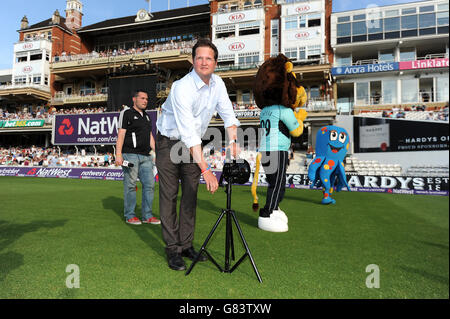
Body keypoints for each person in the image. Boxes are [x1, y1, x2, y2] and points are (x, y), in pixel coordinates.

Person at [156, 38, 240, 271]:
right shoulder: (181, 87)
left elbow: (229, 116)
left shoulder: (219, 84)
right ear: (193, 61)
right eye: (199, 58)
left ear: (215, 63)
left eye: (209, 58)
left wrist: (234, 141)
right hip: (169, 142)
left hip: (192, 144)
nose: (204, 62)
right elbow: (189, 134)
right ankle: (172, 249)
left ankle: (186, 245)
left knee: (190, 195)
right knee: (169, 195)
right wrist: (207, 170)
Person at [115, 90, 160, 226]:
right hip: (130, 155)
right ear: (134, 99)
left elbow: (150, 136)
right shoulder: (127, 113)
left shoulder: (147, 116)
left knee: (150, 185)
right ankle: (130, 215)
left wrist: (157, 152)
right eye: (142, 98)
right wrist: (118, 154)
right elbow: (121, 134)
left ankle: (147, 215)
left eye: (146, 98)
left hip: (146, 156)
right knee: (130, 185)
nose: (145, 101)